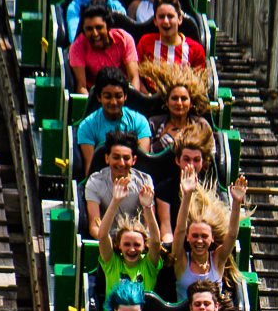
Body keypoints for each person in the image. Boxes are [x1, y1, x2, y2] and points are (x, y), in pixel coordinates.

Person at [172, 167, 248, 301]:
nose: (199, 241)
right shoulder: (182, 260)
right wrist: (187, 195)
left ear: (212, 238)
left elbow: (231, 235)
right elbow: (179, 229)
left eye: (204, 236)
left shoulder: (217, 259)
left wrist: (236, 202)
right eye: (195, 236)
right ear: (188, 237)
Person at [76, 67, 150, 173]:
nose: (114, 102)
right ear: (98, 97)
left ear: (125, 97)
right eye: (108, 97)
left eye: (118, 96)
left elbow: (142, 165)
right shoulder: (87, 126)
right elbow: (91, 169)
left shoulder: (140, 122)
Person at [98, 177, 162, 295]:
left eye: (137, 245)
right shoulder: (112, 263)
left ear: (144, 247)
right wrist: (115, 201)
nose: (132, 249)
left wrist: (147, 207)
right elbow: (102, 236)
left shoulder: (148, 265)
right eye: (126, 244)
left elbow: (156, 242)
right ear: (119, 245)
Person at [85, 130, 153, 238]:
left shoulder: (144, 181)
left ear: (134, 160)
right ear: (107, 158)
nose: (121, 163)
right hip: (109, 240)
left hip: (137, 242)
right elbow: (94, 226)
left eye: (126, 158)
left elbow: (149, 225)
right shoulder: (95, 182)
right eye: (116, 158)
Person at [156, 125, 215, 243]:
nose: (191, 165)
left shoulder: (211, 189)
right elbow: (166, 228)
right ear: (178, 161)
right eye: (186, 159)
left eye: (196, 160)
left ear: (203, 162)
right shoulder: (164, 189)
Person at [141, 62, 213, 152]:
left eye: (184, 99)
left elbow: (210, 155)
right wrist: (165, 140)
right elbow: (146, 155)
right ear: (167, 102)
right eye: (174, 98)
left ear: (191, 103)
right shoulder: (153, 124)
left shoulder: (201, 125)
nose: (179, 103)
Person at [69, 6, 139, 94]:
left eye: (99, 27)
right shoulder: (77, 47)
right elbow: (81, 86)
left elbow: (133, 78)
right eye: (89, 29)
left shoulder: (125, 39)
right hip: (95, 98)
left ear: (108, 27)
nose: (95, 34)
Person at [137, 0, 206, 70]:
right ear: (155, 21)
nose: (166, 21)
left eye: (170, 16)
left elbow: (199, 79)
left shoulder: (196, 50)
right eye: (161, 17)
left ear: (179, 19)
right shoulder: (145, 43)